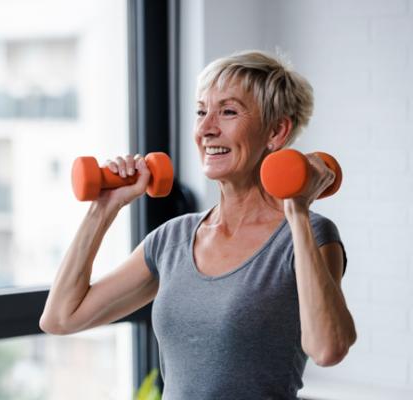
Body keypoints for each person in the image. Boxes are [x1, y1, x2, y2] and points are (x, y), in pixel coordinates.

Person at [39, 50, 356, 399]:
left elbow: (328, 349)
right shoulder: (171, 240)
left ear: (277, 131)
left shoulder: (308, 235)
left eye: (228, 111)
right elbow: (61, 318)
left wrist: (295, 208)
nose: (206, 129)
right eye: (202, 112)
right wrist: (103, 210)